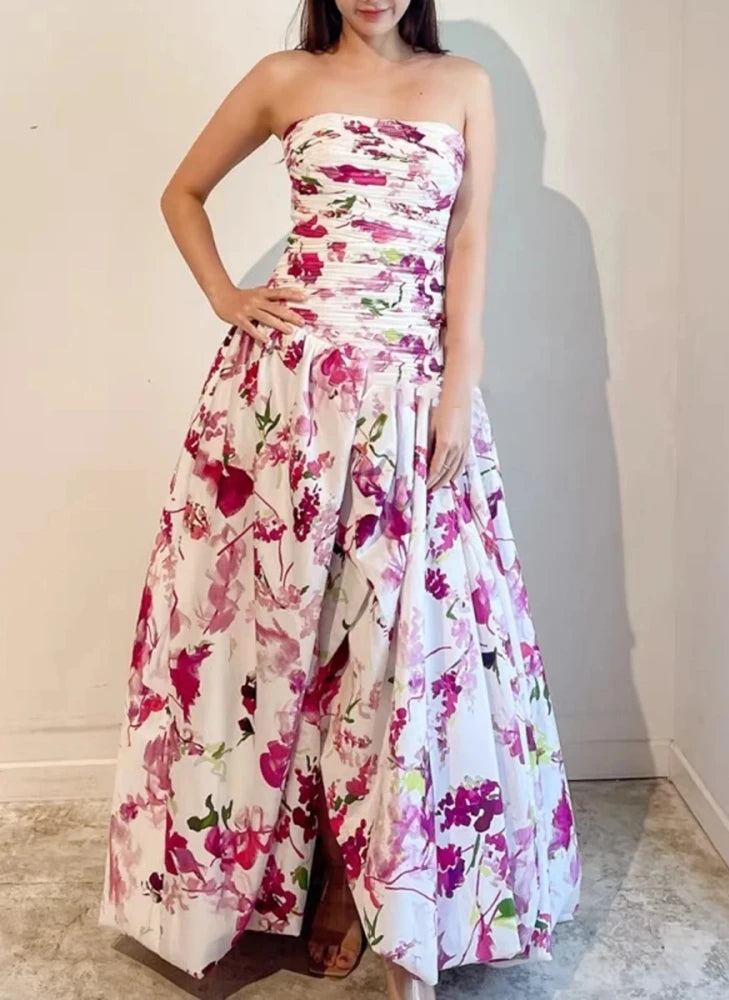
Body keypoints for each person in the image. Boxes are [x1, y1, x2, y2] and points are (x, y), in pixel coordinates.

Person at [97, 2, 582, 998]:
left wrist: (458, 389)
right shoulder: (285, 78)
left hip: (409, 397)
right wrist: (229, 295)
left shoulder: (465, 86)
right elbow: (181, 193)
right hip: (286, 398)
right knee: (277, 641)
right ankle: (296, 869)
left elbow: (469, 241)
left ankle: (384, 891)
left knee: (402, 645)